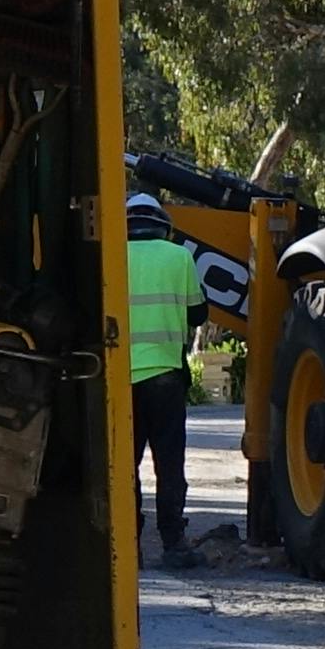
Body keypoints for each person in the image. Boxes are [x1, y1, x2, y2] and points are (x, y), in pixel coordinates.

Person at [124, 197, 200, 566]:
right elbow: (198, 313)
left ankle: (129, 545)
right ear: (163, 226)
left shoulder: (112, 255)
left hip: (121, 381)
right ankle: (173, 543)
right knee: (169, 464)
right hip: (166, 377)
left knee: (125, 467)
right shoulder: (179, 256)